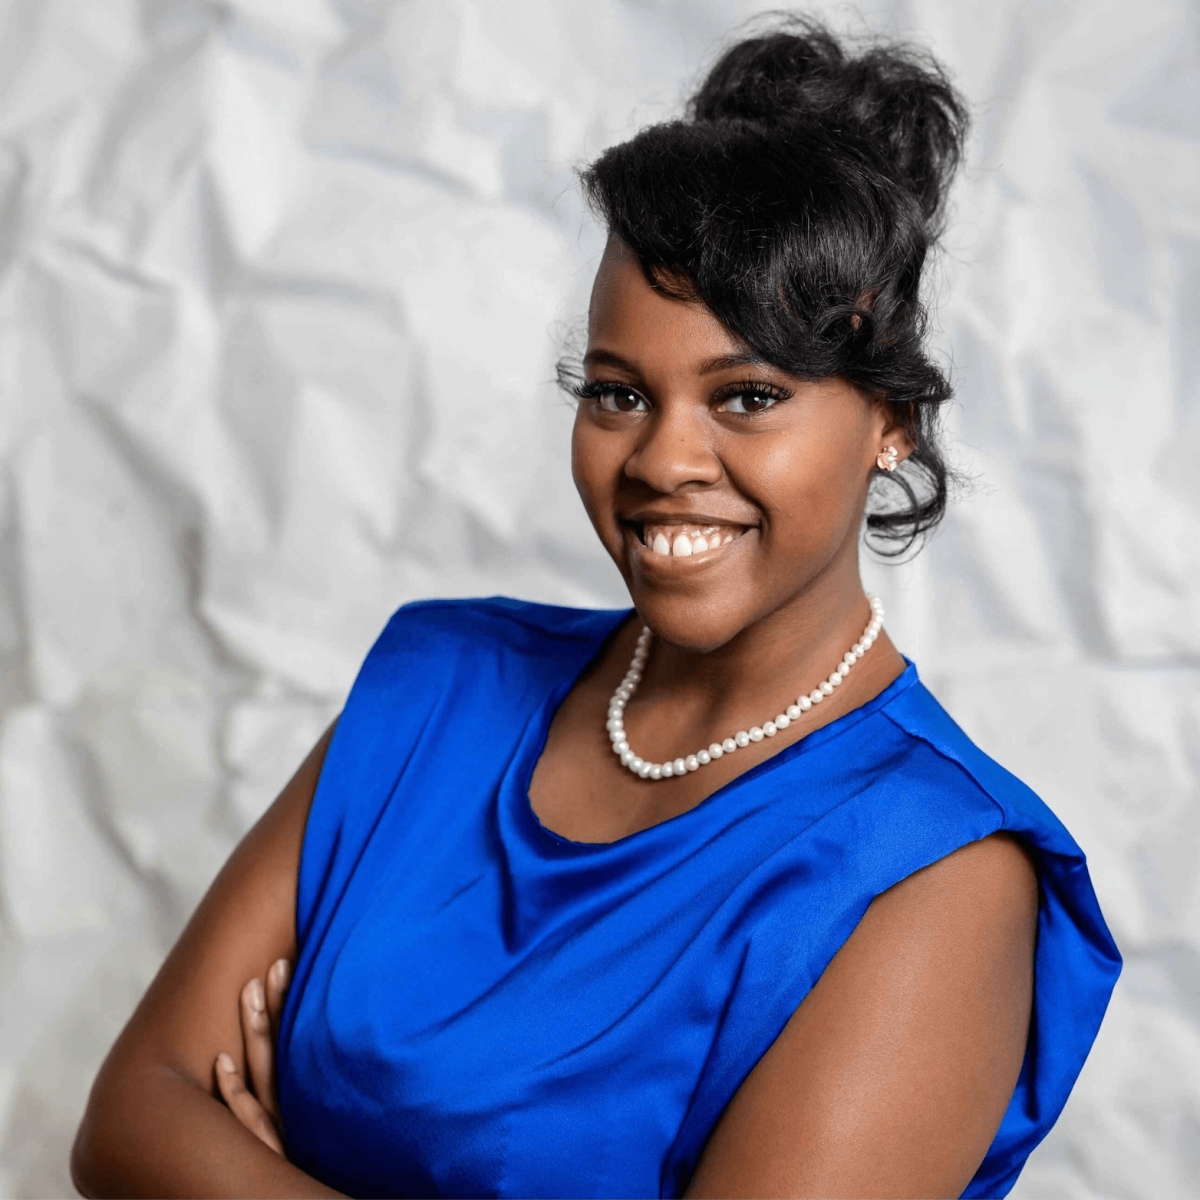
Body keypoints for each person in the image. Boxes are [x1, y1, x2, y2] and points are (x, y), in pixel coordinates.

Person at [70, 16, 1120, 1199]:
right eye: (619, 392)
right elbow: (127, 1126)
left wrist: (254, 1171)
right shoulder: (439, 679)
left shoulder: (930, 874)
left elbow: (180, 1156)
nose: (666, 458)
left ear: (892, 424)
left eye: (749, 396)